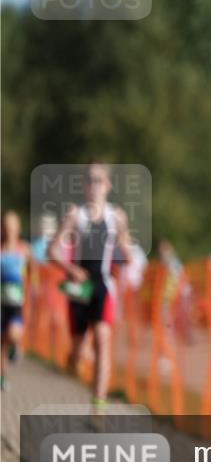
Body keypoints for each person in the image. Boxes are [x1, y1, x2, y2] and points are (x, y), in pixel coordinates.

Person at [48, 163, 132, 407]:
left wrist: (126, 256)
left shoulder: (117, 216)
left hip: (103, 286)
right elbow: (52, 250)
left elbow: (125, 251)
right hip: (79, 287)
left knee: (103, 341)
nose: (94, 186)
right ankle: (73, 358)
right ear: (84, 186)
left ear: (108, 185)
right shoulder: (76, 215)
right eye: (90, 180)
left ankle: (99, 406)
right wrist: (71, 269)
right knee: (79, 352)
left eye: (99, 181)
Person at [1, 212, 32, 390]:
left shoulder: (24, 249)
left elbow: (33, 274)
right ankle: (3, 377)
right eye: (5, 226)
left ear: (18, 228)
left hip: (16, 303)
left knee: (12, 335)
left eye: (12, 226)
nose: (9, 230)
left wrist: (31, 291)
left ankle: (16, 346)